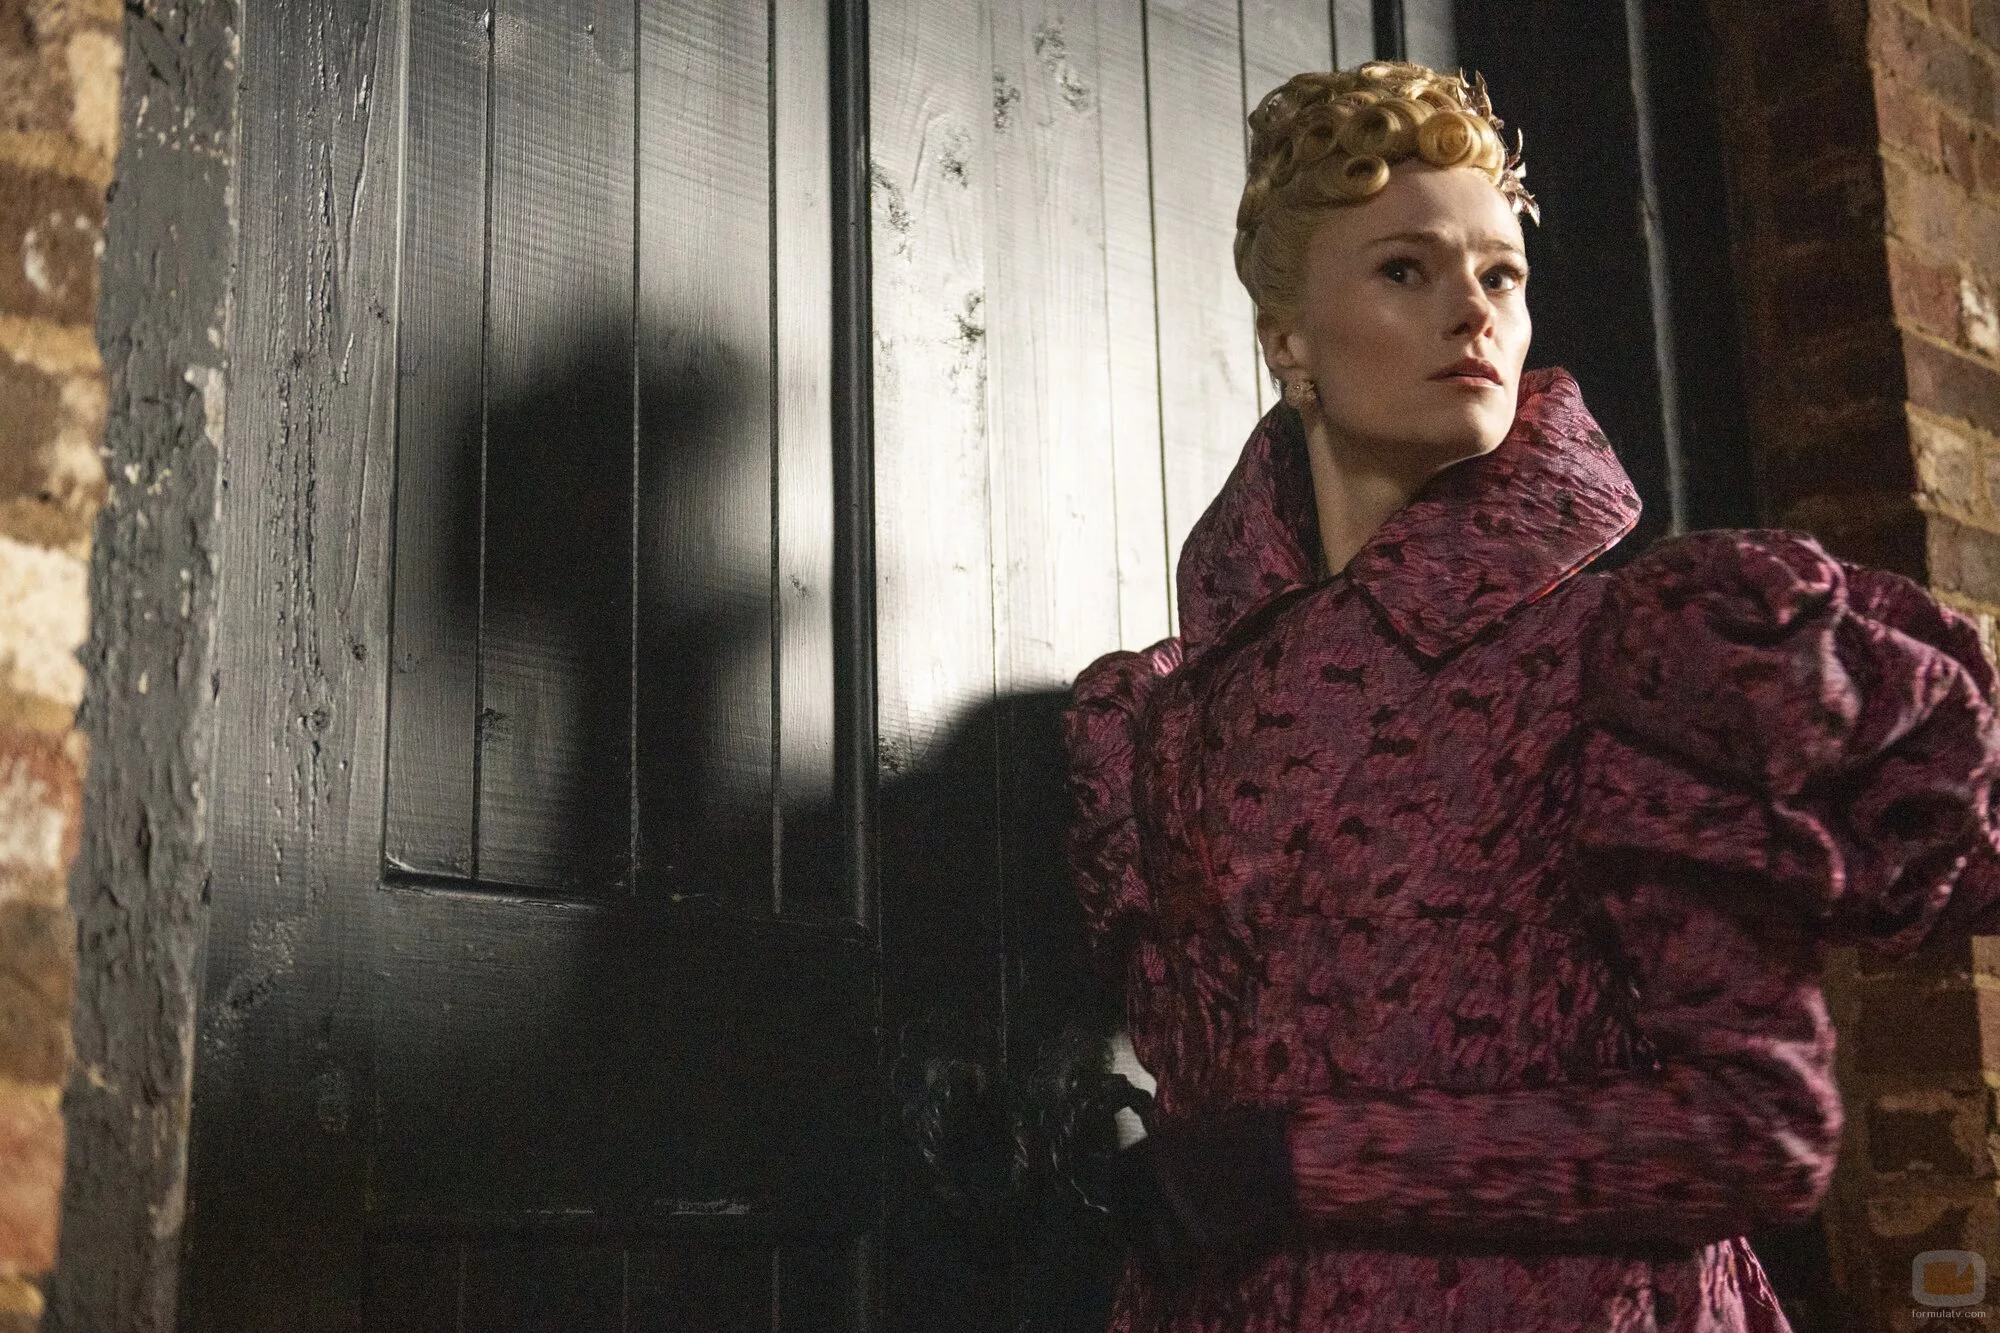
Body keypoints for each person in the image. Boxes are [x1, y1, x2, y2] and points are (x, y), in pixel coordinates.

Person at [1062, 60, 2000, 1331]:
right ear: (1288, 339)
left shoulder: (1633, 653)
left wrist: (1301, 1161)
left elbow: (1754, 1134)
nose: (1472, 311)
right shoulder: (1167, 724)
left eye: (1499, 275)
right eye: (1405, 270)